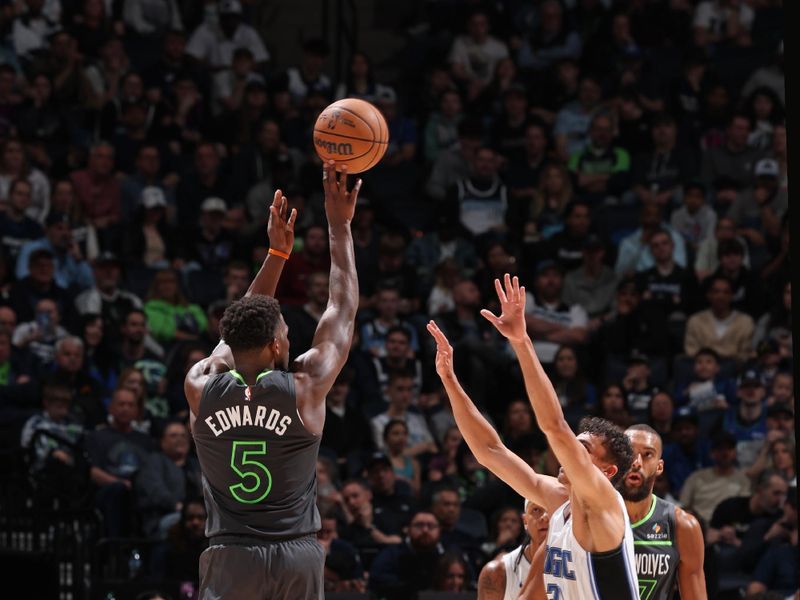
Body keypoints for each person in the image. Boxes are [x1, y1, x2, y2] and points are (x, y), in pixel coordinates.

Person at [184, 166, 359, 600]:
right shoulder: (305, 388)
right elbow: (342, 308)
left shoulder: (200, 385)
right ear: (274, 346)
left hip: (231, 554)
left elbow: (234, 332)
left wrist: (276, 256)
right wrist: (339, 225)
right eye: (283, 330)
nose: (289, 333)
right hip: (294, 553)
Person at [427, 274, 638, 600]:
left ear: (608, 472)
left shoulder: (603, 503)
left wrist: (521, 341)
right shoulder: (557, 502)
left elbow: (554, 426)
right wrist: (450, 380)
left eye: (583, 448)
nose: (567, 451)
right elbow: (490, 451)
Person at [621, 425, 707, 599]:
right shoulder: (592, 517)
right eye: (628, 453)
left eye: (647, 455)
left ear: (659, 467)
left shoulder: (682, 525)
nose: (636, 462)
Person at [477, 500, 550, 600]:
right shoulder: (497, 572)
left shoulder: (577, 562)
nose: (545, 517)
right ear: (525, 521)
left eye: (551, 508)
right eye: (536, 509)